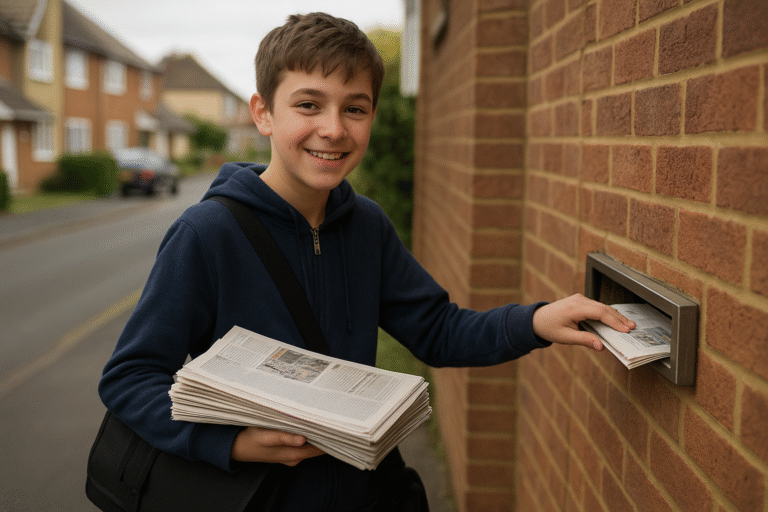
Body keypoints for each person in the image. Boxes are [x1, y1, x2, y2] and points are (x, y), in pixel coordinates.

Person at [99, 12, 634, 511]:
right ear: (262, 113)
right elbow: (131, 377)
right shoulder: (206, 235)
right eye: (308, 105)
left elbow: (438, 332)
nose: (334, 129)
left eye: (354, 108)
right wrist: (232, 442)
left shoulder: (367, 226)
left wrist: (537, 321)